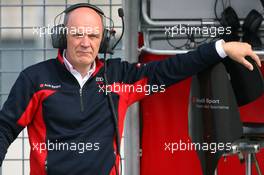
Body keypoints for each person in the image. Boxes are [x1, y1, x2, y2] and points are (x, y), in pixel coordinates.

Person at [0, 3, 261, 175]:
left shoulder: (119, 76)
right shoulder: (34, 79)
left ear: (103, 41)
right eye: (77, 34)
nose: (85, 43)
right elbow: (4, 128)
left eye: (93, 36)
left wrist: (221, 48)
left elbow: (170, 70)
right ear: (62, 36)